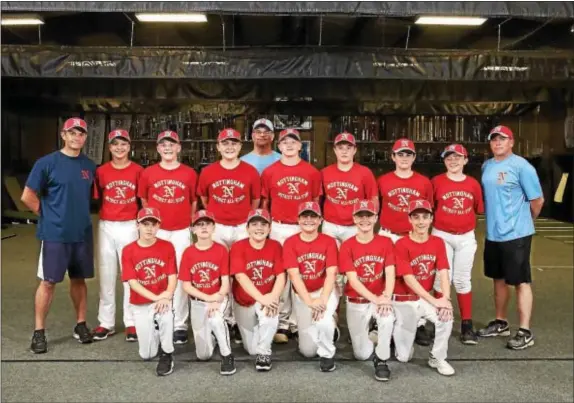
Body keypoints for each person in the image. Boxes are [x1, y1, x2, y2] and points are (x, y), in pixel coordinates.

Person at [22, 117, 96, 354]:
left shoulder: (89, 166)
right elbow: (27, 195)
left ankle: (81, 324)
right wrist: (47, 215)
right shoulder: (47, 163)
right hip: (55, 234)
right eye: (72, 133)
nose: (77, 137)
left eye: (81, 133)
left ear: (85, 137)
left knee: (79, 279)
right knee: (49, 281)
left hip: (81, 232)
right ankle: (39, 331)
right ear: (63, 135)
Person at [478, 125, 544, 350]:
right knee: (498, 279)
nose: (498, 143)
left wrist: (525, 222)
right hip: (493, 234)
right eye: (494, 139)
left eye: (502, 139)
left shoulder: (522, 166)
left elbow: (537, 200)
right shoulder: (487, 166)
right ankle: (501, 322)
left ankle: (525, 331)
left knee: (520, 282)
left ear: (511, 142)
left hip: (516, 234)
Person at [197, 128, 261, 343]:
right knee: (218, 272)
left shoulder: (250, 171)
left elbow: (255, 201)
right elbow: (204, 199)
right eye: (225, 143)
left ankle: (238, 318)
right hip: (218, 227)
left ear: (240, 146)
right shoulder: (208, 172)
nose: (230, 147)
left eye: (234, 143)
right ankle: (221, 317)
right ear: (218, 147)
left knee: (242, 272)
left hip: (243, 226)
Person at [261, 128, 322, 343]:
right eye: (284, 142)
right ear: (279, 146)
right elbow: (265, 203)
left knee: (304, 271)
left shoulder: (312, 172)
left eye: (293, 141)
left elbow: (315, 201)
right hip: (278, 226)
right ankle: (283, 321)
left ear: (299, 146)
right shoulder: (269, 172)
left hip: (302, 227)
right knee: (281, 274)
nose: (288, 145)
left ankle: (299, 320)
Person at [138, 130, 198, 345]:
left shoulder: (189, 173)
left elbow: (193, 201)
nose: (168, 148)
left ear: (179, 147)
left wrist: (189, 221)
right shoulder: (148, 173)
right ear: (158, 148)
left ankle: (180, 323)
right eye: (163, 144)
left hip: (181, 229)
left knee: (181, 275)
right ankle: (158, 316)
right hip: (158, 230)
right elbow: (144, 200)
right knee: (157, 273)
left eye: (172, 144)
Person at [377, 138, 434, 346]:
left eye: (408, 154)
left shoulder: (424, 182)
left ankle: (416, 323)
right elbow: (376, 207)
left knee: (415, 277)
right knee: (384, 277)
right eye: (400, 154)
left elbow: (428, 210)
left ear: (414, 157)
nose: (404, 158)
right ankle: (383, 319)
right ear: (392, 157)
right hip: (388, 234)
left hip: (412, 236)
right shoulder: (382, 180)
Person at [393, 199, 455, 376]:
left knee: (446, 316)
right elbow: (409, 279)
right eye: (416, 217)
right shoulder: (401, 244)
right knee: (404, 357)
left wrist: (445, 299)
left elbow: (443, 272)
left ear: (431, 219)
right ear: (410, 220)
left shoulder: (437, 242)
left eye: (425, 217)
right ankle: (391, 327)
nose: (421, 221)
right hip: (404, 300)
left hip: (422, 299)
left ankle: (437, 358)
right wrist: (435, 300)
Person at [92, 129, 144, 342]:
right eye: (115, 144)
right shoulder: (101, 171)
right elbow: (97, 199)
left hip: (130, 224)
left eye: (123, 144)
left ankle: (131, 321)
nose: (119, 148)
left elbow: (143, 200)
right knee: (106, 273)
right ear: (110, 147)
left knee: (130, 275)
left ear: (129, 147)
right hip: (107, 225)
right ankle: (106, 322)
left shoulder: (139, 171)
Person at [431, 144, 484, 345]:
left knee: (462, 279)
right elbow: (429, 208)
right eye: (449, 158)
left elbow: (478, 208)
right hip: (441, 235)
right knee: (441, 279)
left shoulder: (472, 184)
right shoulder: (436, 182)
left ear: (465, 160)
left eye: (457, 157)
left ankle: (466, 325)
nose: (453, 161)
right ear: (444, 160)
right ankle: (439, 321)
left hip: (465, 236)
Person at [339, 200, 395, 382]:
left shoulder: (386, 242)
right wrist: (375, 298)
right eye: (360, 216)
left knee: (387, 317)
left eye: (369, 215)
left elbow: (390, 273)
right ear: (354, 219)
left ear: (376, 218)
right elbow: (353, 280)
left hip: (379, 299)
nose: (365, 220)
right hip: (357, 301)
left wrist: (385, 297)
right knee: (361, 354)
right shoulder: (347, 245)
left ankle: (382, 359)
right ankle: (374, 333)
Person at [179, 210, 236, 376]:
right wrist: (207, 298)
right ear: (193, 229)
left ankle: (227, 355)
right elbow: (187, 286)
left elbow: (225, 283)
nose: (204, 228)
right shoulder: (188, 252)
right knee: (203, 355)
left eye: (207, 224)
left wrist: (216, 299)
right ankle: (214, 335)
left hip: (219, 298)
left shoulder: (221, 250)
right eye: (199, 224)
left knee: (216, 318)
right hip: (199, 301)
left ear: (214, 228)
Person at [283, 202, 339, 372]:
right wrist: (309, 301)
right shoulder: (290, 242)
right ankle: (330, 327)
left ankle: (328, 354)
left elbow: (331, 274)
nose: (309, 220)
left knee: (322, 321)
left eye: (313, 216)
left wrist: (322, 299)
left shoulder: (329, 241)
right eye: (305, 216)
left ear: (320, 220)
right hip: (303, 294)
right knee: (307, 352)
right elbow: (294, 276)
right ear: (298, 220)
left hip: (325, 290)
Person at [121, 207, 177, 376]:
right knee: (147, 354)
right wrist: (156, 298)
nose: (149, 228)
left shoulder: (167, 246)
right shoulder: (128, 250)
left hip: (163, 299)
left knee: (166, 315)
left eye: (153, 224)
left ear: (159, 226)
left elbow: (172, 276)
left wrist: (167, 295)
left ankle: (167, 353)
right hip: (141, 302)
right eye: (145, 224)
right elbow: (132, 282)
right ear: (137, 225)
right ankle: (155, 332)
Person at [230, 208, 285, 372]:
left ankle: (264, 353)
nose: (259, 228)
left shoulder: (275, 246)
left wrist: (272, 298)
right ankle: (259, 335)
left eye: (263, 224)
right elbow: (240, 277)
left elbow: (281, 276)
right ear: (247, 228)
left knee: (270, 316)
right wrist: (263, 299)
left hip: (267, 297)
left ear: (269, 229)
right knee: (251, 349)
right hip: (245, 301)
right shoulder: (238, 247)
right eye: (254, 224)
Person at [321, 132, 378, 247]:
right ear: (335, 150)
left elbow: (373, 198)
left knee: (354, 262)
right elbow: (318, 198)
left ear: (355, 150)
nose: (344, 151)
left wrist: (370, 222)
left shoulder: (365, 173)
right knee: (331, 263)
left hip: (355, 226)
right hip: (330, 226)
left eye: (348, 147)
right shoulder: (325, 172)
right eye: (340, 148)